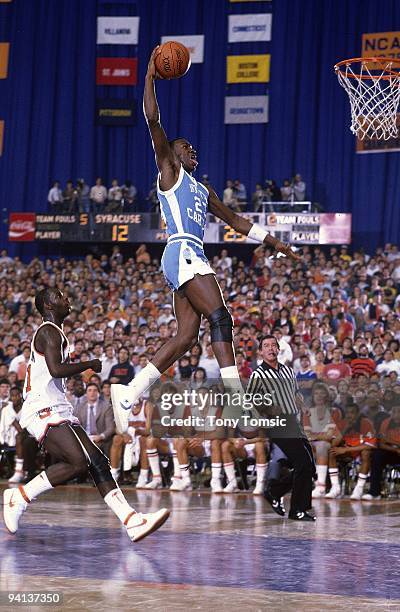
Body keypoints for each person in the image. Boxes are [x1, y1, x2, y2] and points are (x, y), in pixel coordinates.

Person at [111, 47, 300, 434]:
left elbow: (234, 220)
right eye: (185, 147)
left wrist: (272, 242)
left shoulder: (203, 188)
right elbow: (152, 120)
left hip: (185, 257)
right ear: (174, 154)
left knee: (185, 337)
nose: (191, 150)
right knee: (220, 316)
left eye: (192, 148)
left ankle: (129, 392)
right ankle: (236, 403)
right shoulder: (170, 170)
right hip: (182, 250)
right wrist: (149, 76)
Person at [2, 287, 169, 542]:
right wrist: (89, 364)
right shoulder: (48, 331)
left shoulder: (56, 333)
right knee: (78, 462)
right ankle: (19, 497)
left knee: (98, 462)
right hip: (42, 408)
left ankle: (131, 520)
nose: (66, 299)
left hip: (58, 407)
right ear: (48, 305)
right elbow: (57, 369)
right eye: (59, 296)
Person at [247, 335, 316, 521]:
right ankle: (297, 509)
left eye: (273, 345)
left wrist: (304, 407)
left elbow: (295, 393)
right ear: (260, 352)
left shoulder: (287, 371)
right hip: (276, 422)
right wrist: (267, 408)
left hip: (293, 421)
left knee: (308, 464)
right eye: (266, 346)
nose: (270, 348)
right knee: (303, 462)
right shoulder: (258, 374)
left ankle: (274, 491)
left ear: (279, 349)